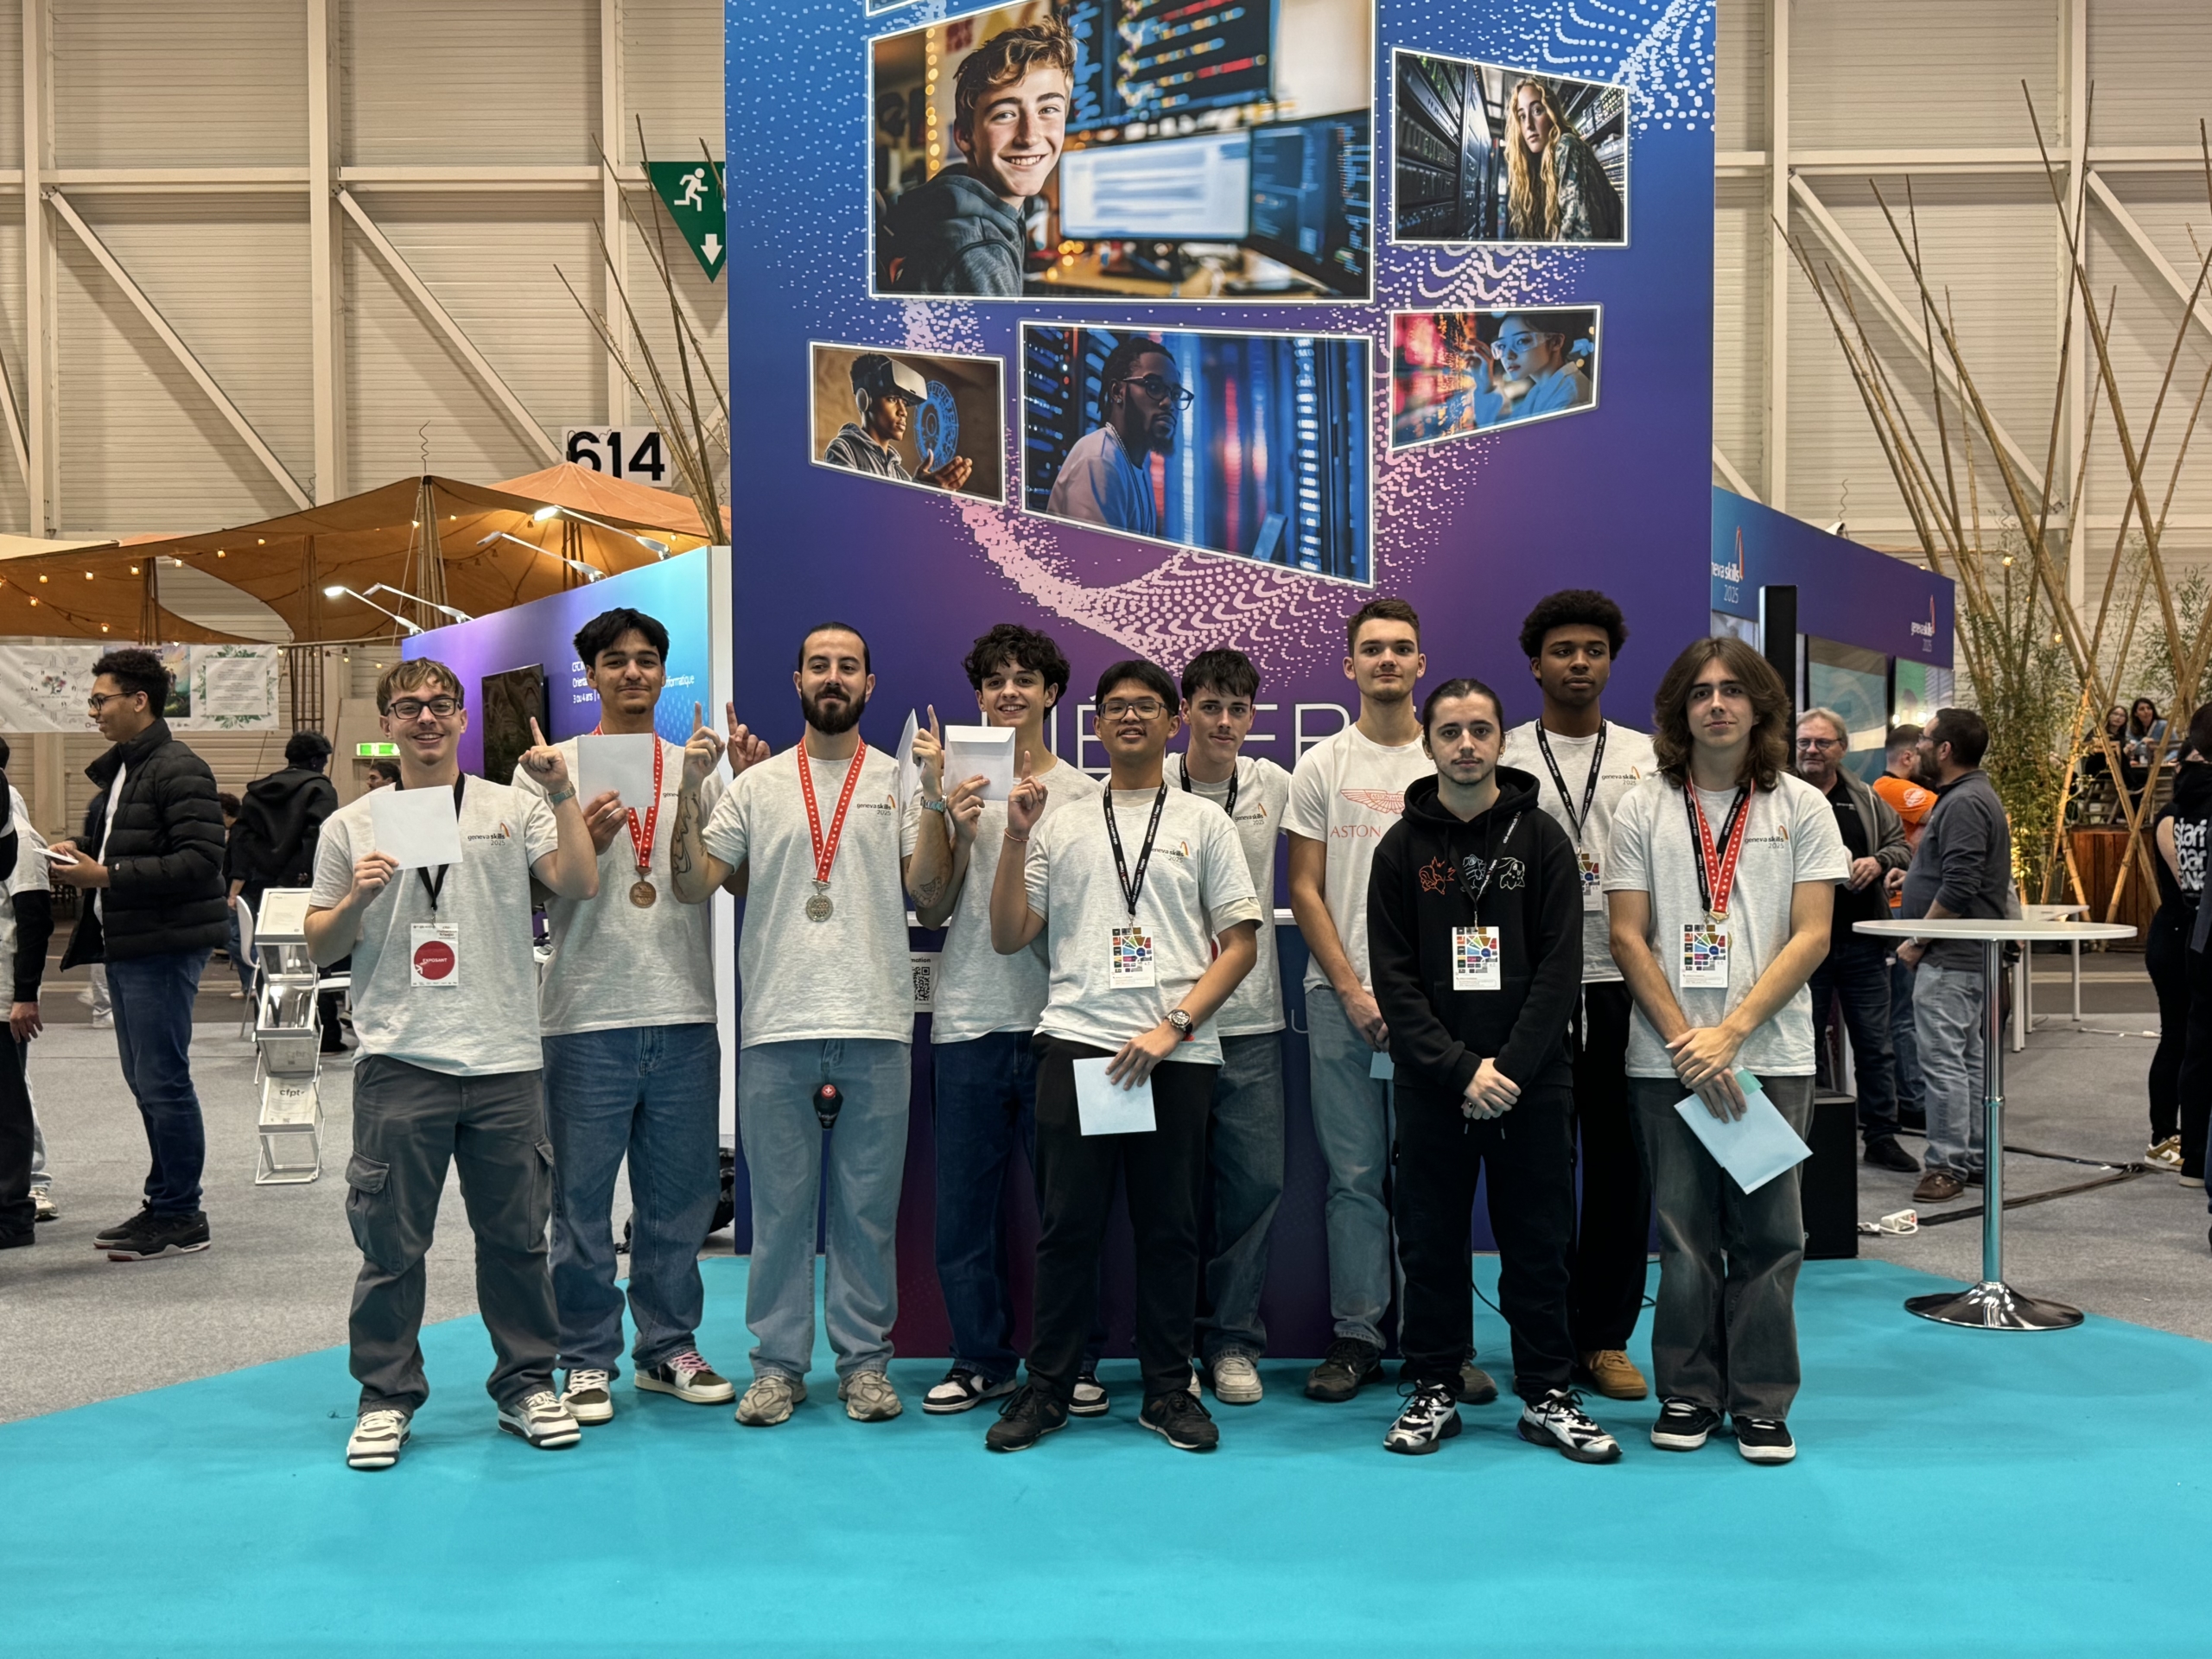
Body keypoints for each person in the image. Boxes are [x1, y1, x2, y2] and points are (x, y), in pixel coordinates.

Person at [304, 660, 601, 1470]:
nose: (427, 718)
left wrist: (561, 792)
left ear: (464, 719)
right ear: (387, 724)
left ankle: (527, 1385)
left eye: (441, 705)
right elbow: (320, 943)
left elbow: (578, 881)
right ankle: (385, 1396)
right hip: (401, 1057)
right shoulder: (352, 826)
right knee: (391, 1245)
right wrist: (359, 900)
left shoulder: (513, 806)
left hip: (503, 1057)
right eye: (409, 707)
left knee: (517, 1242)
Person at [981, 658, 1261, 1454]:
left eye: (1146, 706)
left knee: (1170, 1230)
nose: (1130, 717)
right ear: (1095, 723)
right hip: (1082, 1047)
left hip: (1173, 1055)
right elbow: (1008, 934)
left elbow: (1240, 945)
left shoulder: (1205, 822)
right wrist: (1014, 834)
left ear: (1173, 721)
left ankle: (1168, 1390)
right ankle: (1048, 1388)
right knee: (1067, 1228)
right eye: (1115, 707)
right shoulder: (1061, 821)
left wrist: (1173, 1027)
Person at [509, 607, 765, 1430]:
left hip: (684, 1010)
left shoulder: (694, 766)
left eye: (647, 659)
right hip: (584, 1016)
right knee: (580, 1205)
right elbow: (523, 889)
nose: (632, 673)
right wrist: (576, 835)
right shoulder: (548, 768)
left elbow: (732, 880)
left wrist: (734, 787)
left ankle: (668, 1347)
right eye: (615, 661)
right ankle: (585, 1357)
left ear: (663, 673)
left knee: (679, 1201)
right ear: (590, 674)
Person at [1606, 637, 1847, 1466]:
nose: (1717, 704)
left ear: (1760, 706)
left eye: (1733, 690)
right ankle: (1688, 1390)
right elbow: (1627, 936)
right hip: (1666, 1059)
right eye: (1701, 691)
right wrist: (1690, 1043)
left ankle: (1762, 1401)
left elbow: (1812, 935)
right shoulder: (1642, 807)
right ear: (1679, 709)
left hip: (1769, 1055)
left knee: (1773, 1237)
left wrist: (1731, 1034)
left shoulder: (1801, 807)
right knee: (1683, 1238)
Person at [1370, 677, 1622, 1463]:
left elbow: (1560, 968)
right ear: (1428, 744)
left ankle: (1547, 1392)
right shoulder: (1398, 849)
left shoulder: (1543, 840)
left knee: (1539, 1243)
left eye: (1480, 729)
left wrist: (1506, 1069)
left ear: (1500, 741)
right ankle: (1433, 1385)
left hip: (1532, 1080)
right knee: (1430, 1243)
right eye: (1450, 731)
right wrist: (1459, 1071)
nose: (1466, 744)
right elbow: (1394, 979)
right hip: (1433, 1084)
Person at [676, 622, 918, 1428]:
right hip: (777, 1024)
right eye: (819, 665)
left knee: (866, 1214)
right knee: (777, 1215)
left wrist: (943, 807)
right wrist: (689, 791)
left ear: (869, 685)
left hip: (876, 1023)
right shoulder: (757, 786)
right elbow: (695, 883)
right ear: (798, 680)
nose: (833, 677)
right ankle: (777, 1367)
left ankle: (865, 1366)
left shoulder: (898, 781)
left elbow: (930, 891)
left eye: (849, 665)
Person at [1288, 598, 1489, 1407]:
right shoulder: (1322, 765)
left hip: (1438, 1014)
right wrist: (1350, 987)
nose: (1387, 661)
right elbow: (1305, 889)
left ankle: (1441, 1344)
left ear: (1420, 664)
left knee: (1434, 1178)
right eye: (1372, 649)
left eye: (1401, 648)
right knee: (1354, 1177)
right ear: (1350, 665)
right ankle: (1359, 1335)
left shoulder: (1454, 757)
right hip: (1341, 1002)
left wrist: (1430, 1004)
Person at [902, 623, 1104, 1417]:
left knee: (1071, 1211)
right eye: (995, 681)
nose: (1010, 692)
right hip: (969, 1023)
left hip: (1067, 1026)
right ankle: (979, 1358)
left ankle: (1073, 1360)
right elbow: (929, 904)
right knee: (965, 1214)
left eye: (1025, 679)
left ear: (1052, 693)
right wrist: (939, 811)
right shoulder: (951, 782)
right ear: (979, 696)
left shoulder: (1086, 794)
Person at [1500, 589, 1658, 1403]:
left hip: (1625, 984)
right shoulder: (1503, 756)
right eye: (1563, 650)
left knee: (1622, 1169)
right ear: (1535, 665)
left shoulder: (1648, 758)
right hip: (1535, 991)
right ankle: (1545, 1338)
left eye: (1594, 650)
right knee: (1537, 1174)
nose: (1579, 662)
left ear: (1611, 662)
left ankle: (1606, 1337)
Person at [51, 648, 230, 1264]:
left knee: (163, 1080)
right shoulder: (129, 769)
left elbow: (201, 861)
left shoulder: (179, 767)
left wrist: (106, 875)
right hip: (130, 943)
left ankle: (182, 1214)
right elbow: (127, 844)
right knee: (145, 1080)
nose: (93, 712)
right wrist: (80, 850)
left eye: (100, 700)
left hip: (163, 945)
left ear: (139, 700)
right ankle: (164, 1201)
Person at [1164, 648, 1293, 1407]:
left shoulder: (1274, 784)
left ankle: (1233, 1342)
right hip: (1168, 1024)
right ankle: (1170, 1346)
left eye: (1237, 709)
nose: (1223, 722)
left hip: (1251, 1022)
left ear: (1252, 716)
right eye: (1209, 707)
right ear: (1184, 712)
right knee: (1169, 1192)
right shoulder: (1148, 782)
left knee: (1253, 1188)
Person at [1792, 709, 1918, 1173]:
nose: (1811, 750)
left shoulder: (1864, 797)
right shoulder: (1778, 796)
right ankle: (1811, 1138)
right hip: (1801, 947)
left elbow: (1901, 846)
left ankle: (1881, 1136)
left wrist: (1879, 861)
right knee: (1802, 1047)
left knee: (1874, 1045)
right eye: (1804, 742)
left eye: (1822, 743)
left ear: (1842, 748)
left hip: (1862, 942)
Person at [1897, 709, 2014, 1205]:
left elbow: (1962, 885)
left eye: (1925, 740)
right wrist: (1913, 877)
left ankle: (1946, 1166)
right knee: (1966, 1062)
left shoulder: (1964, 802)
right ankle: (1973, 1159)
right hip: (1966, 958)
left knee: (1945, 1064)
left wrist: (1919, 939)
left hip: (1951, 958)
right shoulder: (1969, 796)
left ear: (1945, 750)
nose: (1917, 748)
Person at [882, 18, 1071, 296]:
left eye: (1048, 110)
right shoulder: (979, 254)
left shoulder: (962, 203)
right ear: (965, 136)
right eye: (1004, 114)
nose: (1029, 137)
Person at [230, 729, 341, 1040]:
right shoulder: (320, 789)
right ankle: (327, 1033)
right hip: (304, 887)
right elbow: (318, 836)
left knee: (269, 961)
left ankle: (270, 1030)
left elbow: (241, 838)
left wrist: (248, 876)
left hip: (262, 888)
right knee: (316, 956)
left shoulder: (257, 792)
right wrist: (298, 875)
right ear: (317, 760)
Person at [2147, 703, 2212, 1176]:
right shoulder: (2175, 815)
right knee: (2178, 1036)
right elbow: (2185, 878)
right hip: (2179, 930)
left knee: (2192, 1039)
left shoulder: (2184, 810)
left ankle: (2189, 1143)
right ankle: (2166, 1132)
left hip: (2194, 931)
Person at [1045, 336, 1180, 537]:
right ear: (1118, 392)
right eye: (1153, 387)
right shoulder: (1099, 460)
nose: (1168, 403)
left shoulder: (1137, 465)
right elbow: (1095, 556)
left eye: (1175, 394)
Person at [0, 741, 55, 1226]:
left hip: (5, 994)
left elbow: (34, 918)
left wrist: (24, 995)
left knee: (11, 1099)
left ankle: (27, 1189)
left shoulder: (19, 837)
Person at [1872, 726, 1936, 1133]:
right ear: (1908, 756)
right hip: (1898, 911)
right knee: (1905, 1011)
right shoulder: (1890, 788)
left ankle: (1913, 1094)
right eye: (1925, 749)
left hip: (1910, 908)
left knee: (1911, 1009)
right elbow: (1948, 814)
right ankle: (1911, 1098)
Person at [823, 353, 973, 491]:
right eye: (892, 399)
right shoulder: (844, 450)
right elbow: (849, 505)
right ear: (864, 400)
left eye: (905, 403)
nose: (904, 412)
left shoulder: (900, 475)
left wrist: (918, 488)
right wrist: (914, 497)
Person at [1505, 77, 1623, 243]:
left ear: (1551, 114)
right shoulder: (1531, 170)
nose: (1529, 125)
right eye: (1522, 117)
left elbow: (1579, 241)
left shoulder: (1567, 146)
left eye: (1537, 110)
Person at [1470, 315, 1593, 428]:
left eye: (1521, 341)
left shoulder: (1570, 399)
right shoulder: (1540, 390)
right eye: (1502, 346)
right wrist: (1485, 384)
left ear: (1556, 342)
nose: (1508, 355)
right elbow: (1504, 427)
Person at [218, 792, 250, 999]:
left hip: (238, 895)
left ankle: (252, 981)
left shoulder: (239, 834)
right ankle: (249, 984)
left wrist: (232, 895)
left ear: (224, 812)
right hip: (239, 894)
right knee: (239, 939)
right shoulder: (238, 832)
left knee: (235, 939)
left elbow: (240, 868)